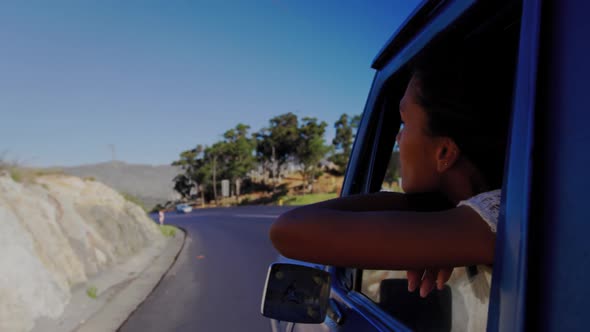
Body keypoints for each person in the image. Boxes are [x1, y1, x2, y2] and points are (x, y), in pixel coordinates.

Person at [269, 40, 514, 299]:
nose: (398, 138)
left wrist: (421, 208)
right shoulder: (496, 213)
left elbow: (288, 230)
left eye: (404, 123)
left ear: (444, 152)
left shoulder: (495, 219)